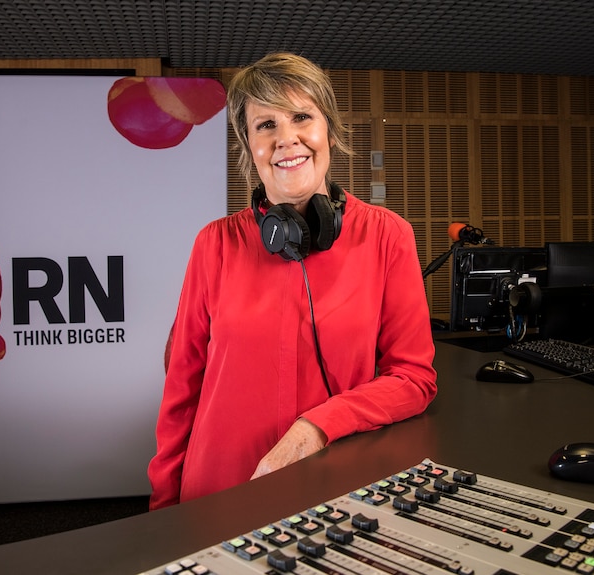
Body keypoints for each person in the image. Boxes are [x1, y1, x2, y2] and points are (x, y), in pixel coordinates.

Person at [147, 52, 437, 510]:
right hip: (219, 487)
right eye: (266, 125)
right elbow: (182, 386)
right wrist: (163, 512)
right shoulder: (214, 244)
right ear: (250, 146)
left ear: (329, 131)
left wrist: (318, 425)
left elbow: (413, 378)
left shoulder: (387, 236)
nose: (287, 139)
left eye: (301, 116)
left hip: (334, 484)